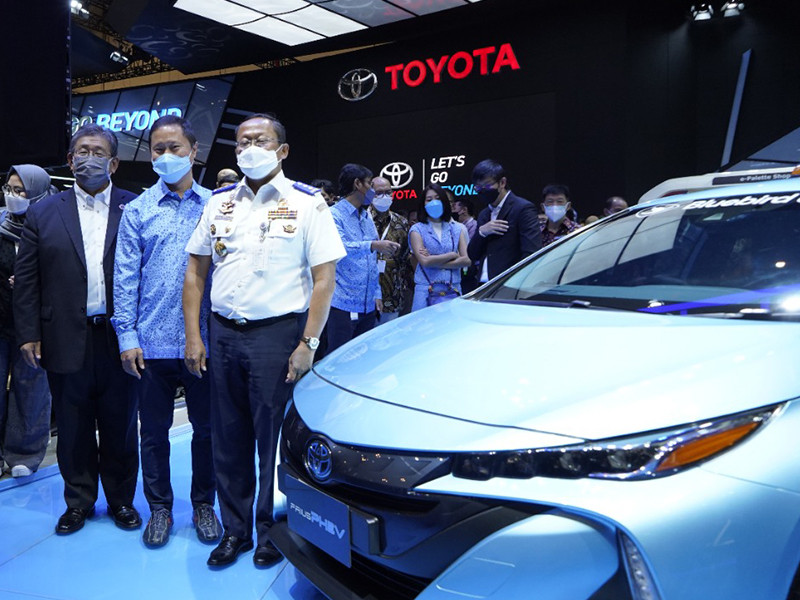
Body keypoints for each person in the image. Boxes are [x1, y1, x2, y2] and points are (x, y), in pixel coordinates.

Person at [183, 113, 345, 568]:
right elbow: (195, 271)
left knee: (273, 439)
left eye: (261, 140)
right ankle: (235, 531)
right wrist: (194, 335)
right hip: (222, 333)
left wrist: (308, 343)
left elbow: (324, 279)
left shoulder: (307, 203)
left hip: (277, 334)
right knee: (228, 437)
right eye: (242, 142)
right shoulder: (219, 203)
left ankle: (271, 531)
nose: (249, 148)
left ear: (283, 150)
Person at [14, 124, 140, 535]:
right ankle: (78, 502)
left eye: (99, 152)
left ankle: (121, 500)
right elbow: (27, 279)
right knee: (72, 426)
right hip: (64, 335)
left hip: (120, 337)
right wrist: (28, 332)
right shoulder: (43, 212)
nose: (90, 158)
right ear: (70, 160)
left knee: (121, 423)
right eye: (82, 151)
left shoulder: (134, 208)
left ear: (114, 163)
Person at [112, 115, 221, 548]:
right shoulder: (138, 210)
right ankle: (159, 508)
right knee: (153, 434)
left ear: (194, 152)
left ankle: (204, 504)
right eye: (158, 149)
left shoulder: (216, 206)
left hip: (205, 342)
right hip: (150, 342)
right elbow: (125, 278)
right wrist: (127, 336)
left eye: (175, 147)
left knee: (207, 431)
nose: (166, 155)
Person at [0, 165, 54, 478]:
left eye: (20, 191)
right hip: (1, 317)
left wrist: (34, 282)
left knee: (31, 388)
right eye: (9, 188)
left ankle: (25, 453)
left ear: (37, 193)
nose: (13, 196)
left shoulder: (51, 226)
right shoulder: (0, 222)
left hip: (34, 322)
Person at [327, 164, 399, 352]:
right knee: (339, 356)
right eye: (370, 184)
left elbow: (372, 260)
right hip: (342, 303)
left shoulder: (366, 216)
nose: (373, 191)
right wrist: (372, 245)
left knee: (362, 357)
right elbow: (339, 248)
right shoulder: (333, 215)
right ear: (357, 184)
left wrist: (376, 293)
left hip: (368, 305)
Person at [467, 159, 541, 283]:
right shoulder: (484, 214)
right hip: (483, 285)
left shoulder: (522, 208)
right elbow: (472, 254)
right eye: (478, 187)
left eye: (487, 186)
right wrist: (481, 233)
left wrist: (516, 283)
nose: (483, 190)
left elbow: (531, 252)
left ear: (502, 183)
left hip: (509, 284)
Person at [409, 183, 471, 311]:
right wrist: (452, 255)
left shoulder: (457, 228)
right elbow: (424, 261)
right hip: (425, 290)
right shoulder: (417, 229)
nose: (434, 202)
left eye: (438, 198)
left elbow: (467, 260)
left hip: (453, 288)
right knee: (423, 323)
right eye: (429, 199)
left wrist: (434, 261)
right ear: (423, 204)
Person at [369, 176, 410, 323]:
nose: (384, 196)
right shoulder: (362, 220)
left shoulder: (401, 222)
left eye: (388, 192)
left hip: (392, 293)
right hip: (364, 294)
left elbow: (405, 257)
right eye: (379, 193)